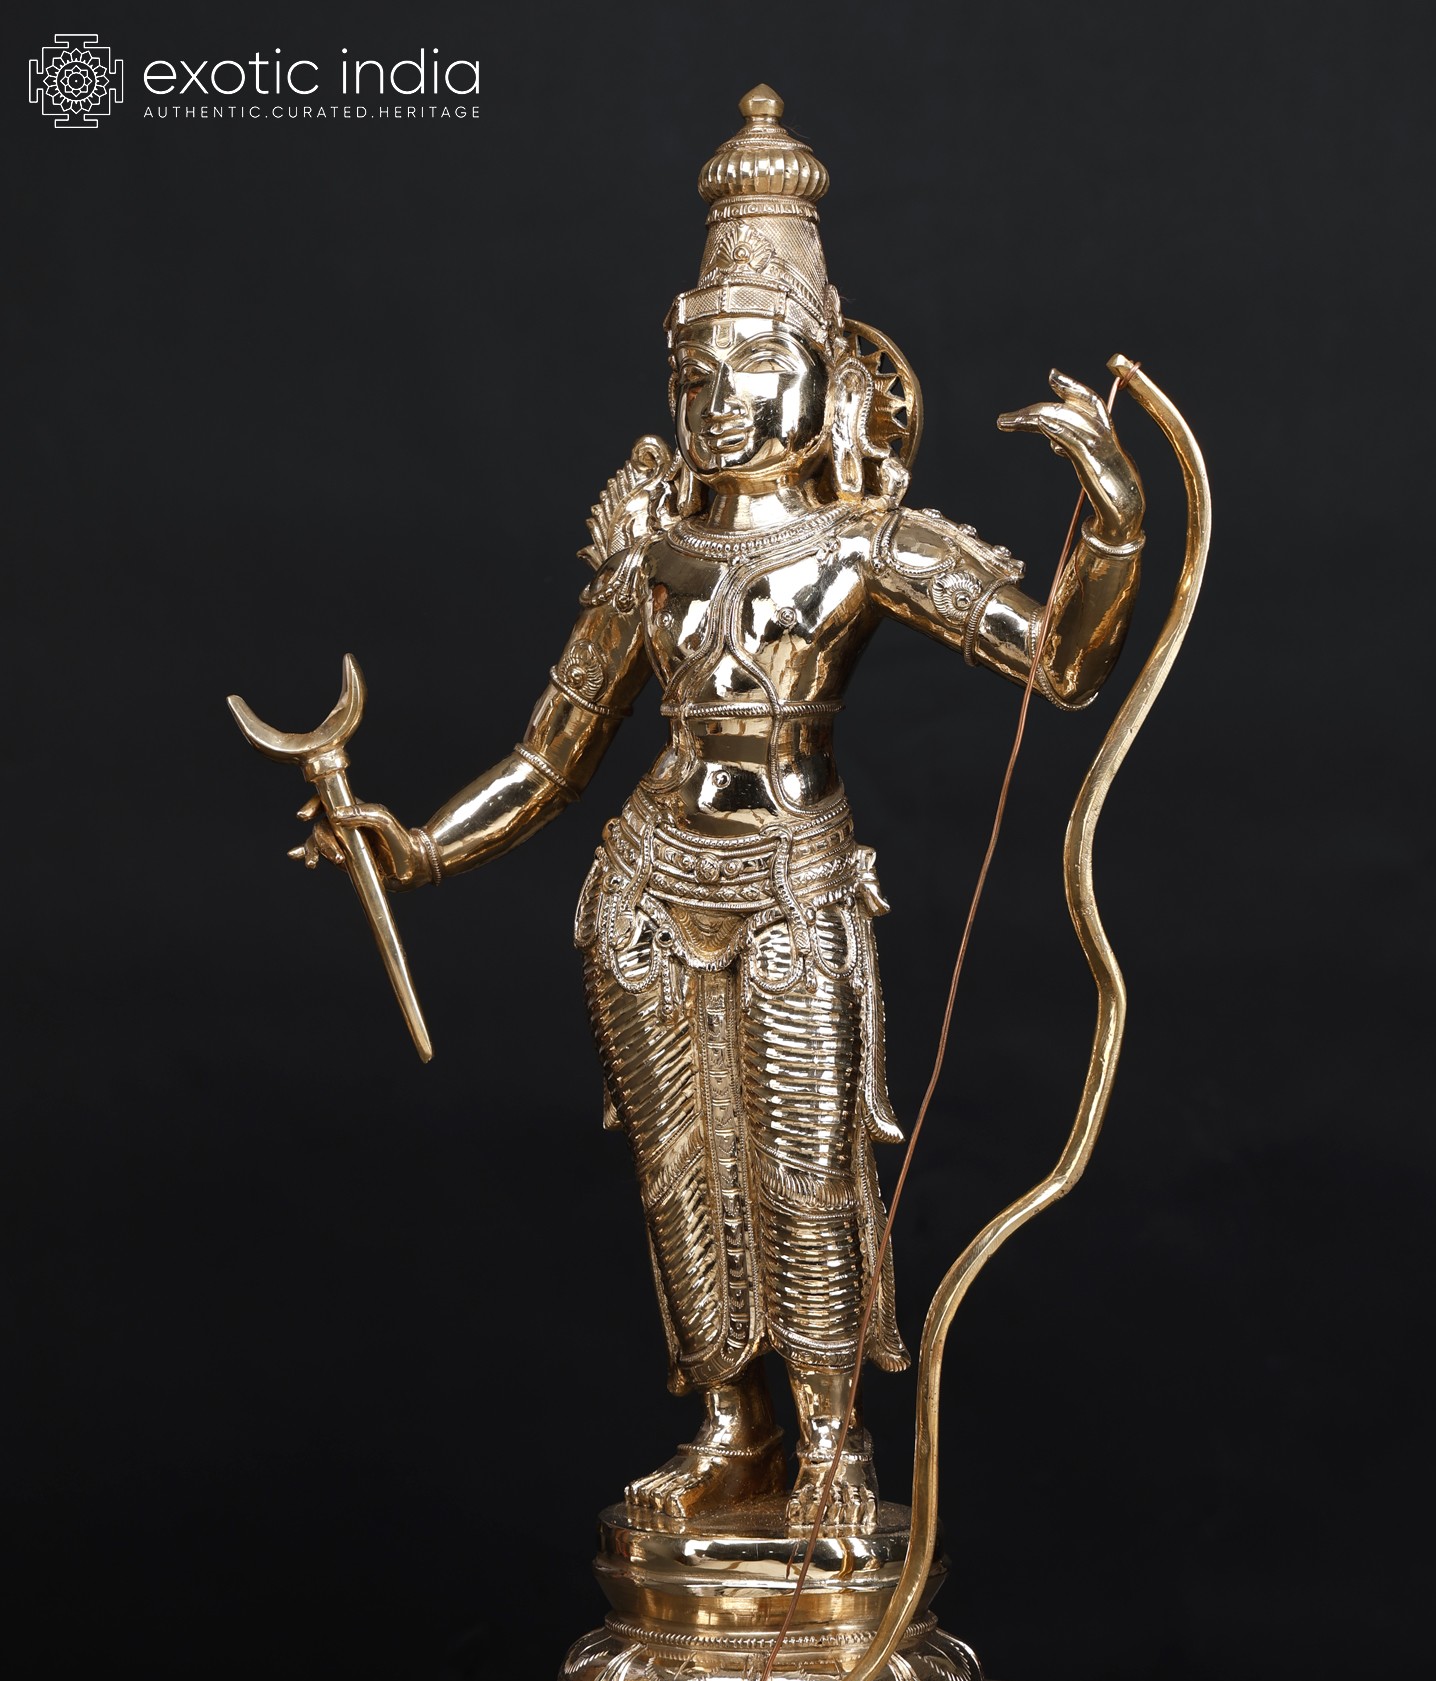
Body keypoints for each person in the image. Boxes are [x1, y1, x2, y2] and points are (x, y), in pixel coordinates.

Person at [298, 87, 1145, 1533]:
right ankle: (729, 1427)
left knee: (806, 1168)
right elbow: (550, 756)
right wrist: (419, 845)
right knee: (681, 1168)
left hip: (792, 883)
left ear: (834, 377)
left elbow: (1059, 661)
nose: (723, 393)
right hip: (647, 881)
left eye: (760, 359)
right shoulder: (649, 555)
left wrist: (1113, 521)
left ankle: (831, 1445)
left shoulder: (867, 544)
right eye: (697, 366)